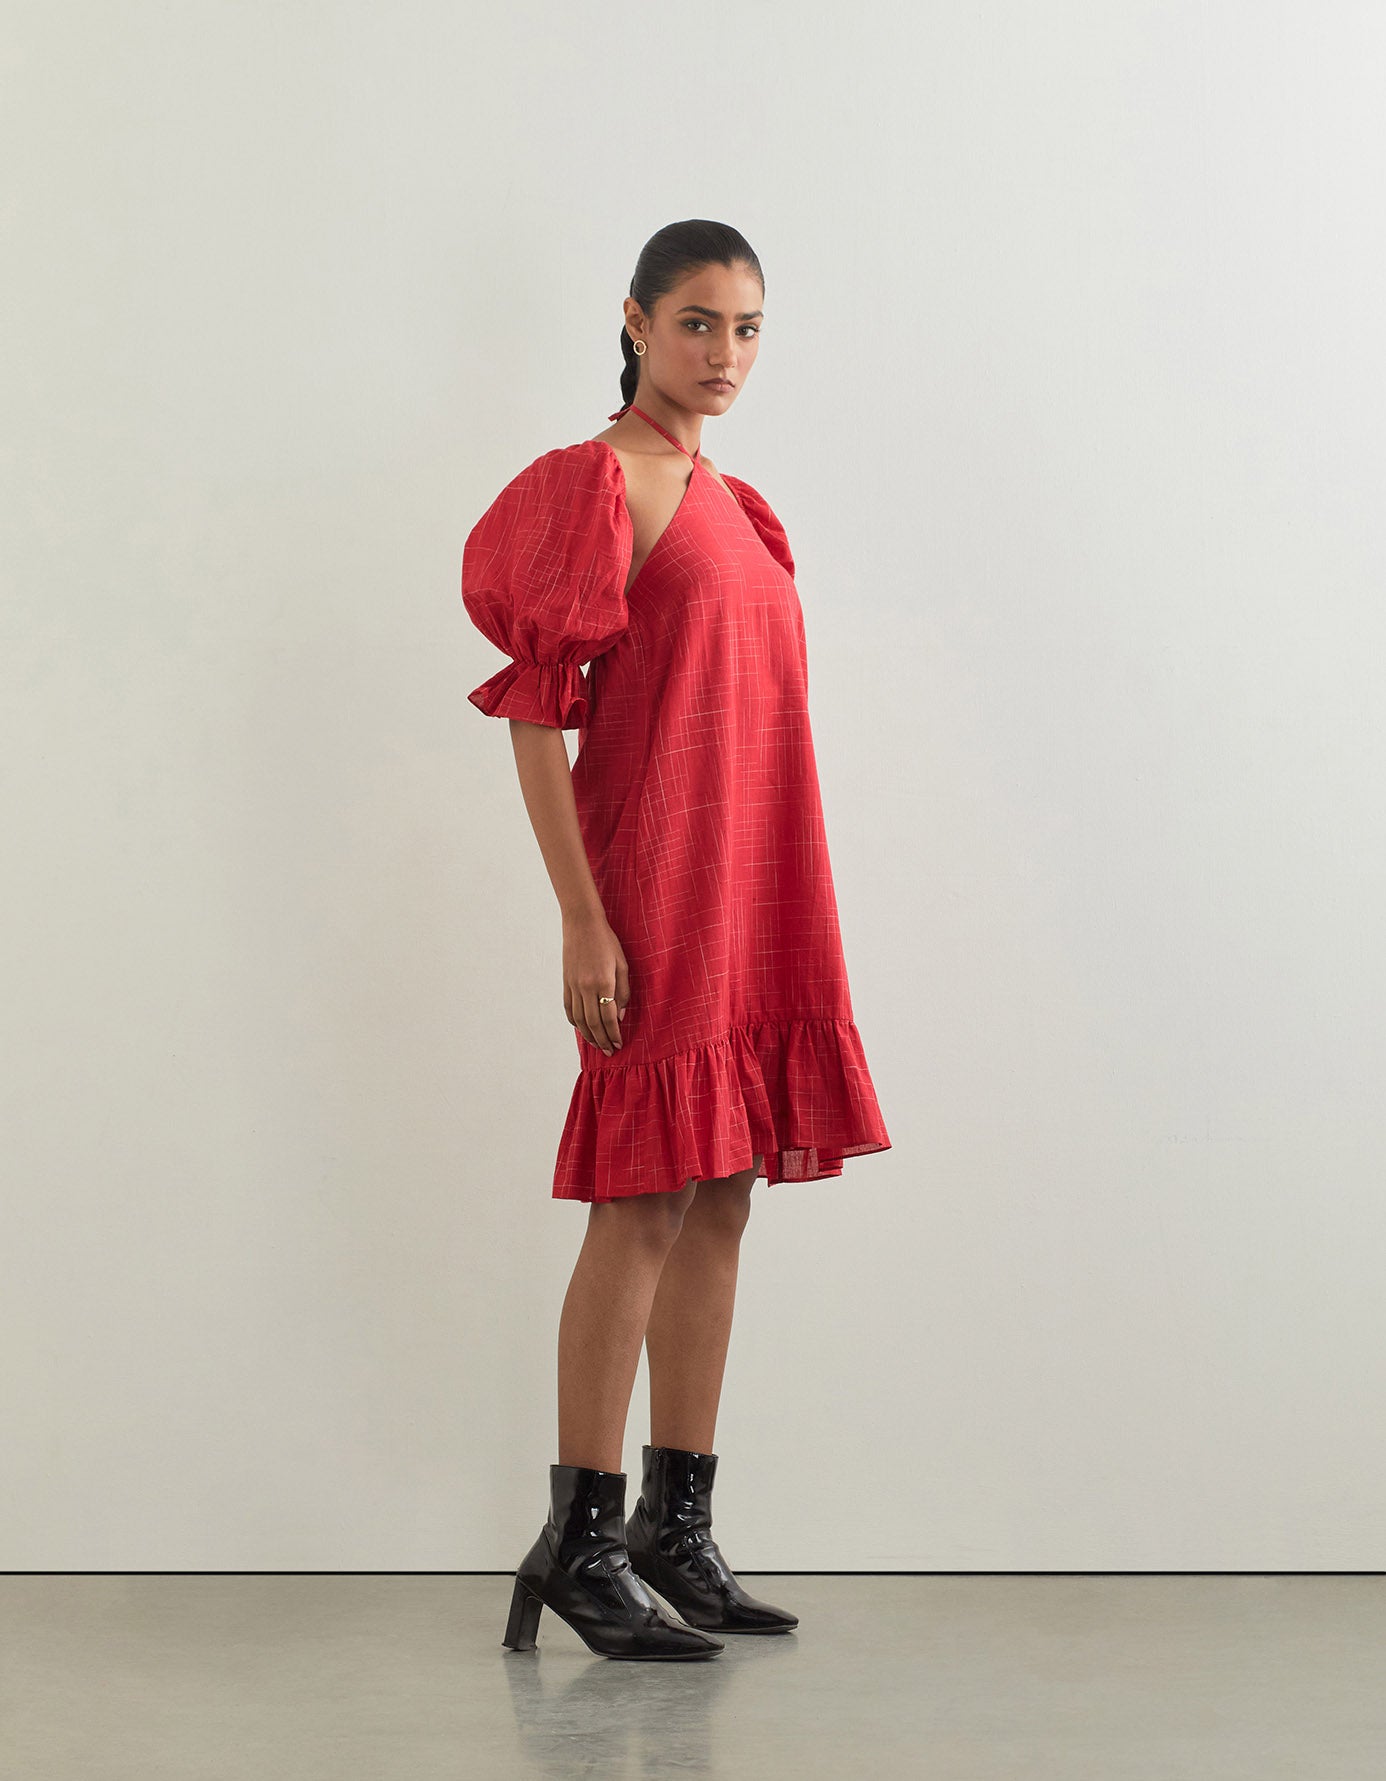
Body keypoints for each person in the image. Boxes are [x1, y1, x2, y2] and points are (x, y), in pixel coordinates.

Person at [460, 220, 891, 1661]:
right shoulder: (595, 486)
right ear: (637, 322)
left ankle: (673, 1526)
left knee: (723, 1195)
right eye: (698, 322)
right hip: (653, 886)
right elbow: (534, 718)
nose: (725, 353)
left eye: (748, 327)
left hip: (755, 882)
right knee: (641, 1200)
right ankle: (578, 1540)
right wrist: (582, 915)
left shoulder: (737, 505)